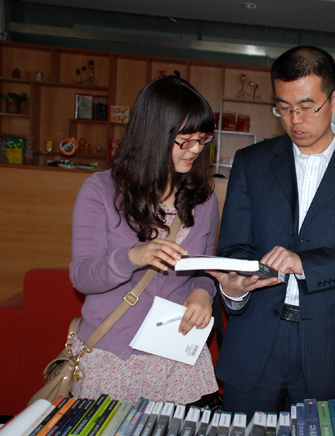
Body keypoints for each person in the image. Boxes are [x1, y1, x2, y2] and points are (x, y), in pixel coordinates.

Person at [209, 46, 335, 417]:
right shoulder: (252, 163)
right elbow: (234, 246)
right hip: (254, 342)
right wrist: (234, 287)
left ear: (334, 100)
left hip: (326, 348)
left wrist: (305, 263)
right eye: (283, 107)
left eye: (306, 106)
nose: (294, 120)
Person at [69, 75, 220, 403]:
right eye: (186, 140)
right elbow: (81, 276)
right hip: (112, 353)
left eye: (202, 139)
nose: (197, 149)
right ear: (154, 134)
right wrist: (132, 257)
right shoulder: (101, 191)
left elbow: (205, 267)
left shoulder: (203, 199)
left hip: (174, 354)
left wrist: (202, 292)